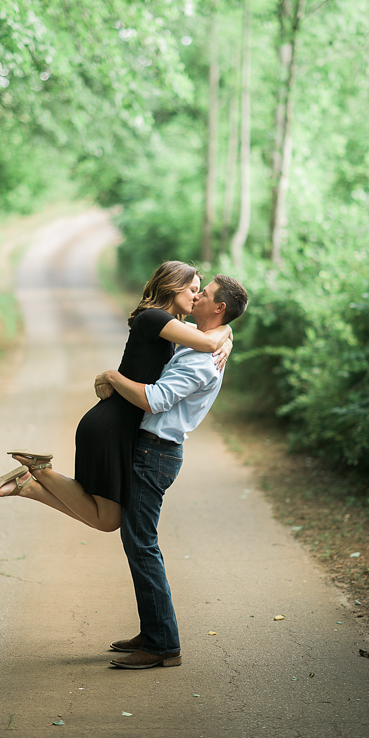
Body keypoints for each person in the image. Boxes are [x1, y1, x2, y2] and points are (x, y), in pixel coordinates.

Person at [0, 261, 233, 533]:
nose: (196, 297)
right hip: (110, 426)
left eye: (200, 292)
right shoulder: (155, 318)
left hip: (118, 427)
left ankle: (29, 485)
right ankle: (40, 472)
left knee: (107, 518)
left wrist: (227, 335)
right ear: (173, 286)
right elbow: (208, 342)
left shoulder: (170, 327)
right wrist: (225, 334)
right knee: (107, 520)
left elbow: (210, 336)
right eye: (193, 289)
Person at [93, 274, 248, 670]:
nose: (197, 296)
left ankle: (163, 643)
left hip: (155, 453)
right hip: (151, 450)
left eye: (206, 294)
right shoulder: (202, 342)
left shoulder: (201, 360)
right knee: (137, 542)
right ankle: (153, 631)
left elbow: (155, 399)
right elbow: (204, 335)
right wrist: (226, 335)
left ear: (219, 309)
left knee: (142, 544)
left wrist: (112, 377)